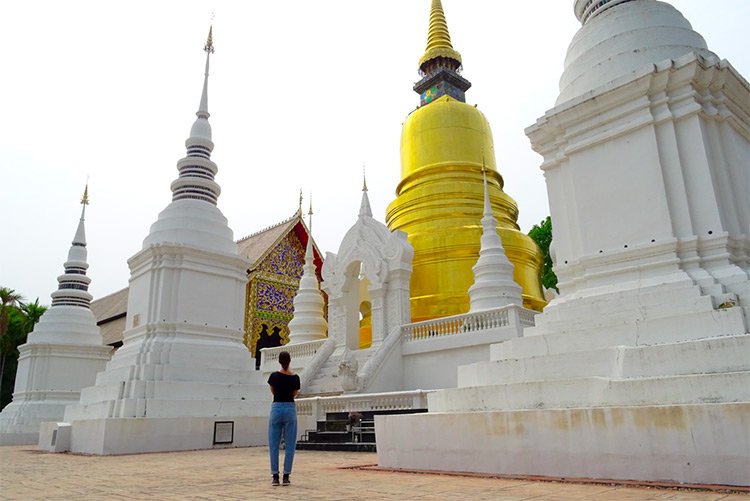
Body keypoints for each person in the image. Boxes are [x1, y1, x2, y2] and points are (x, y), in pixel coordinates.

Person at [267, 350, 300, 486]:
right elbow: (295, 393)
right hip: (290, 408)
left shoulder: (274, 376)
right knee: (290, 445)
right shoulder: (295, 378)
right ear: (290, 361)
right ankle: (286, 476)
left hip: (276, 407)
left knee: (274, 445)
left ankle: (275, 476)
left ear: (279, 361)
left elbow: (273, 391)